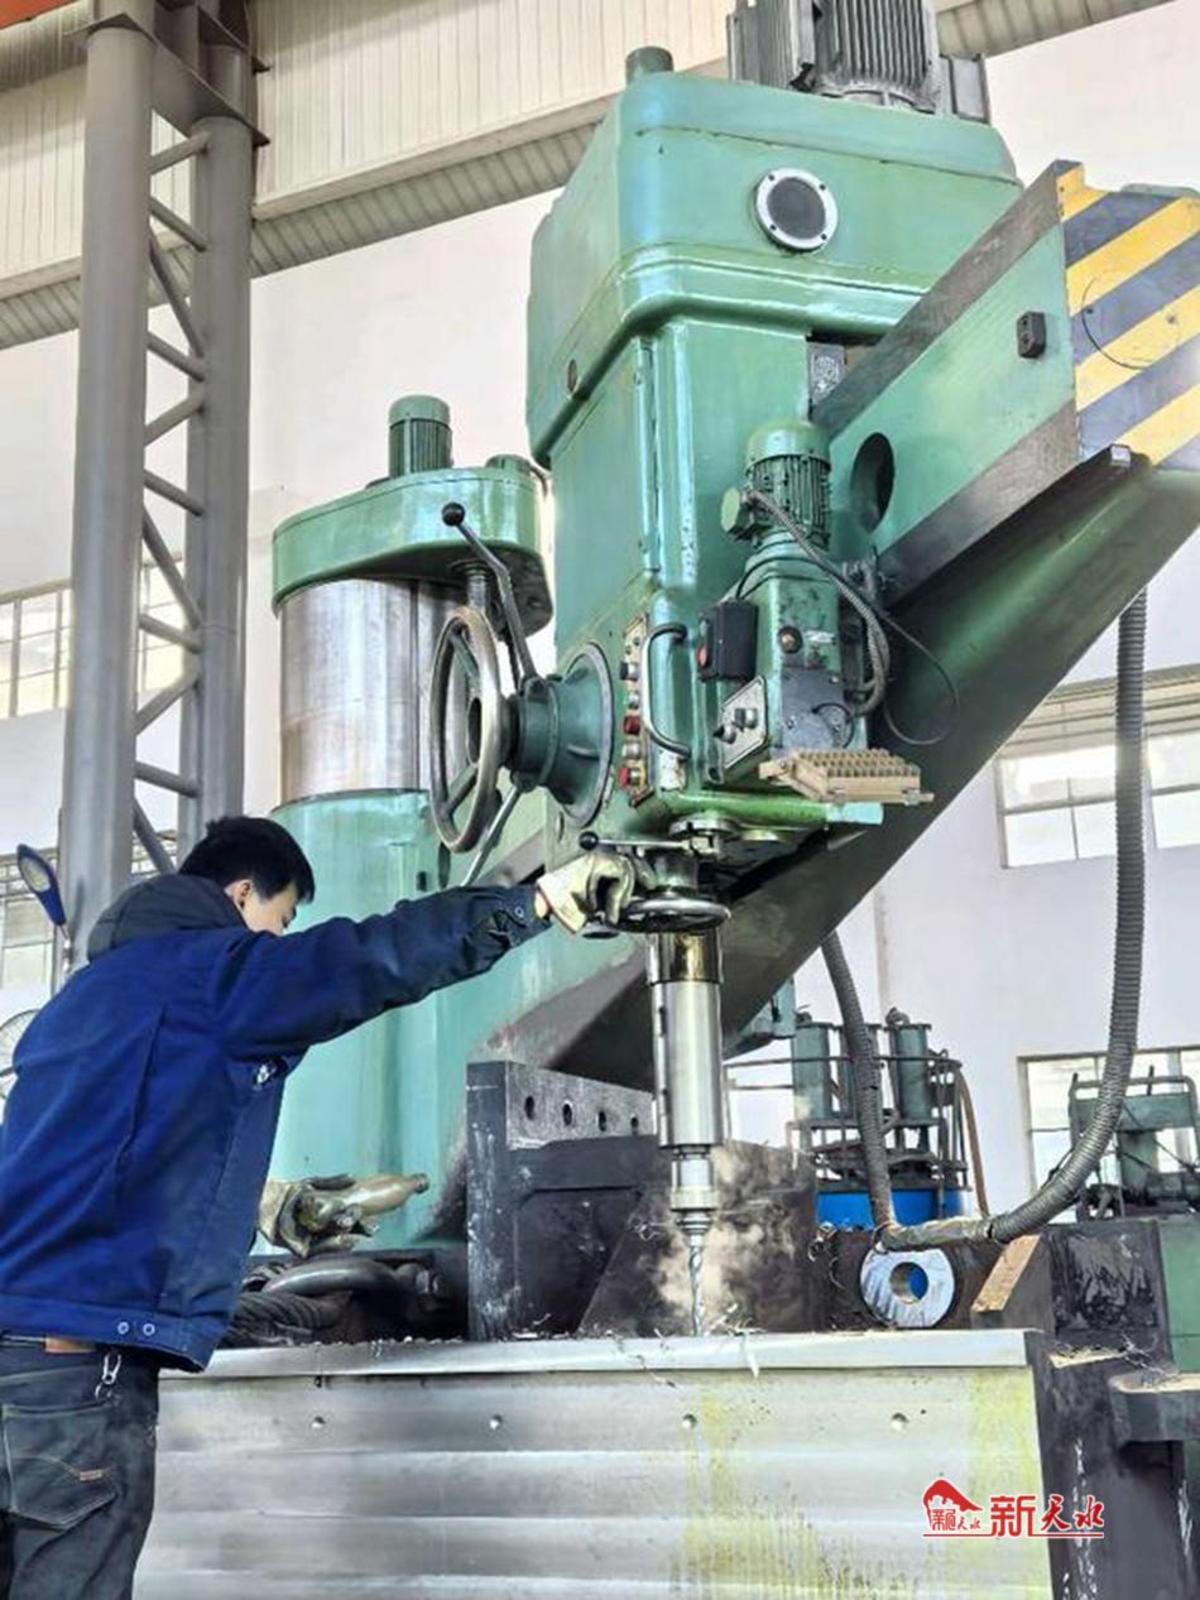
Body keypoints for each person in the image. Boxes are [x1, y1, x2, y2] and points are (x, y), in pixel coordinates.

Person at [0, 816, 634, 1600]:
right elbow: (364, 960)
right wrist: (536, 903)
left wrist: (269, 1206)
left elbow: (88, 1155)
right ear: (242, 895)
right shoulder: (215, 971)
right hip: (78, 1374)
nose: (279, 940)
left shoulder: (83, 999)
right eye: (282, 918)